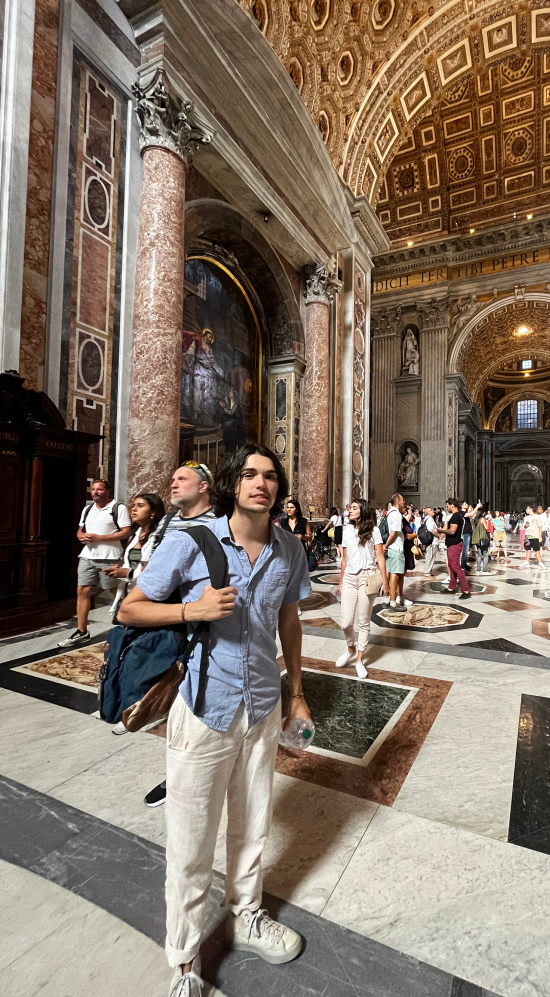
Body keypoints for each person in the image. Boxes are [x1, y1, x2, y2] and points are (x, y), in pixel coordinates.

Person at [118, 444, 312, 997]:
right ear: (232, 483)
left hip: (261, 708)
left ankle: (246, 914)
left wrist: (296, 693)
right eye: (250, 474)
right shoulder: (191, 540)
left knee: (253, 825)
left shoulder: (289, 547)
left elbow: (290, 620)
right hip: (204, 709)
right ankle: (183, 962)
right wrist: (191, 610)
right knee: (190, 840)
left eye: (271, 476)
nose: (261, 484)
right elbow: (130, 608)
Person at [144, 461, 217, 809]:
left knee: (189, 705)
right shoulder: (168, 521)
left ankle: (177, 776)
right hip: (162, 616)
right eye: (171, 478)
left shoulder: (218, 526)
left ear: (204, 486)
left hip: (196, 629)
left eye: (181, 479)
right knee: (163, 690)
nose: (172, 484)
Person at [105, 492, 165, 736]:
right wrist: (121, 572)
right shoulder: (135, 536)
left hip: (147, 601)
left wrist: (127, 574)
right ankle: (124, 703)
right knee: (126, 655)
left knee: (141, 657)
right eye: (133, 505)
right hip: (128, 599)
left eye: (140, 506)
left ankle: (138, 710)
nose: (133, 509)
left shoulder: (160, 537)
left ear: (152, 511)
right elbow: (136, 565)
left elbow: (156, 571)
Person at [58, 479, 131, 648]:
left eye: (99, 489)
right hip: (87, 555)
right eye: (93, 489)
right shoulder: (88, 508)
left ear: (108, 491)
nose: (95, 492)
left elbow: (125, 532)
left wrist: (100, 538)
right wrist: (80, 536)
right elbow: (80, 529)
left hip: (109, 556)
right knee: (82, 590)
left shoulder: (117, 508)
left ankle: (131, 623)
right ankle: (82, 631)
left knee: (115, 591)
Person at [335, 499, 388, 677]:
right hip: (349, 577)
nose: (349, 510)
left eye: (354, 508)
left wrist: (385, 581)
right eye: (350, 507)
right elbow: (344, 559)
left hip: (367, 577)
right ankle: (350, 647)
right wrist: (341, 582)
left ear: (362, 511)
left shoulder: (374, 530)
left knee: (364, 621)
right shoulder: (346, 530)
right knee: (346, 622)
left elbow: (380, 557)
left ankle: (359, 660)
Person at [437, 498, 470, 598]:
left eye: (447, 506)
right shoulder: (456, 516)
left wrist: (441, 530)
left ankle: (466, 590)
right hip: (452, 544)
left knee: (456, 567)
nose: (447, 508)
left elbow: (452, 531)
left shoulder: (456, 516)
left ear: (452, 505)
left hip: (455, 544)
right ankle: (451, 588)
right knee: (451, 566)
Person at [382, 492, 407, 614]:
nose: (404, 502)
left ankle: (387, 600)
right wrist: (386, 546)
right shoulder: (396, 515)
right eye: (402, 500)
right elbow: (393, 533)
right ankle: (393, 603)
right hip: (395, 548)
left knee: (389, 574)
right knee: (394, 576)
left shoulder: (389, 513)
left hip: (391, 548)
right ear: (397, 502)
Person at [521, 505, 548, 569]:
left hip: (535, 535)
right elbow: (524, 527)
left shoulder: (537, 517)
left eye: (527, 509)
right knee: (528, 549)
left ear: (531, 509)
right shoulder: (526, 518)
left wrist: (540, 536)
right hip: (528, 535)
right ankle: (526, 561)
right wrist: (525, 526)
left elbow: (540, 527)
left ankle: (540, 562)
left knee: (537, 550)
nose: (526, 510)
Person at [421, 506, 439, 576]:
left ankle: (428, 570)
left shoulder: (427, 519)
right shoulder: (429, 520)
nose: (433, 511)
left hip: (430, 541)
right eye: (431, 510)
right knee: (430, 556)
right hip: (432, 541)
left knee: (430, 556)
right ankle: (427, 571)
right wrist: (438, 535)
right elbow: (431, 530)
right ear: (428, 513)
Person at [471, 507, 490, 575]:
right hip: (483, 538)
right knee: (485, 554)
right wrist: (487, 522)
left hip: (476, 539)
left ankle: (478, 569)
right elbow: (487, 528)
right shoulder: (482, 519)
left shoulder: (473, 520)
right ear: (482, 513)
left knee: (479, 555)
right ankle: (484, 569)